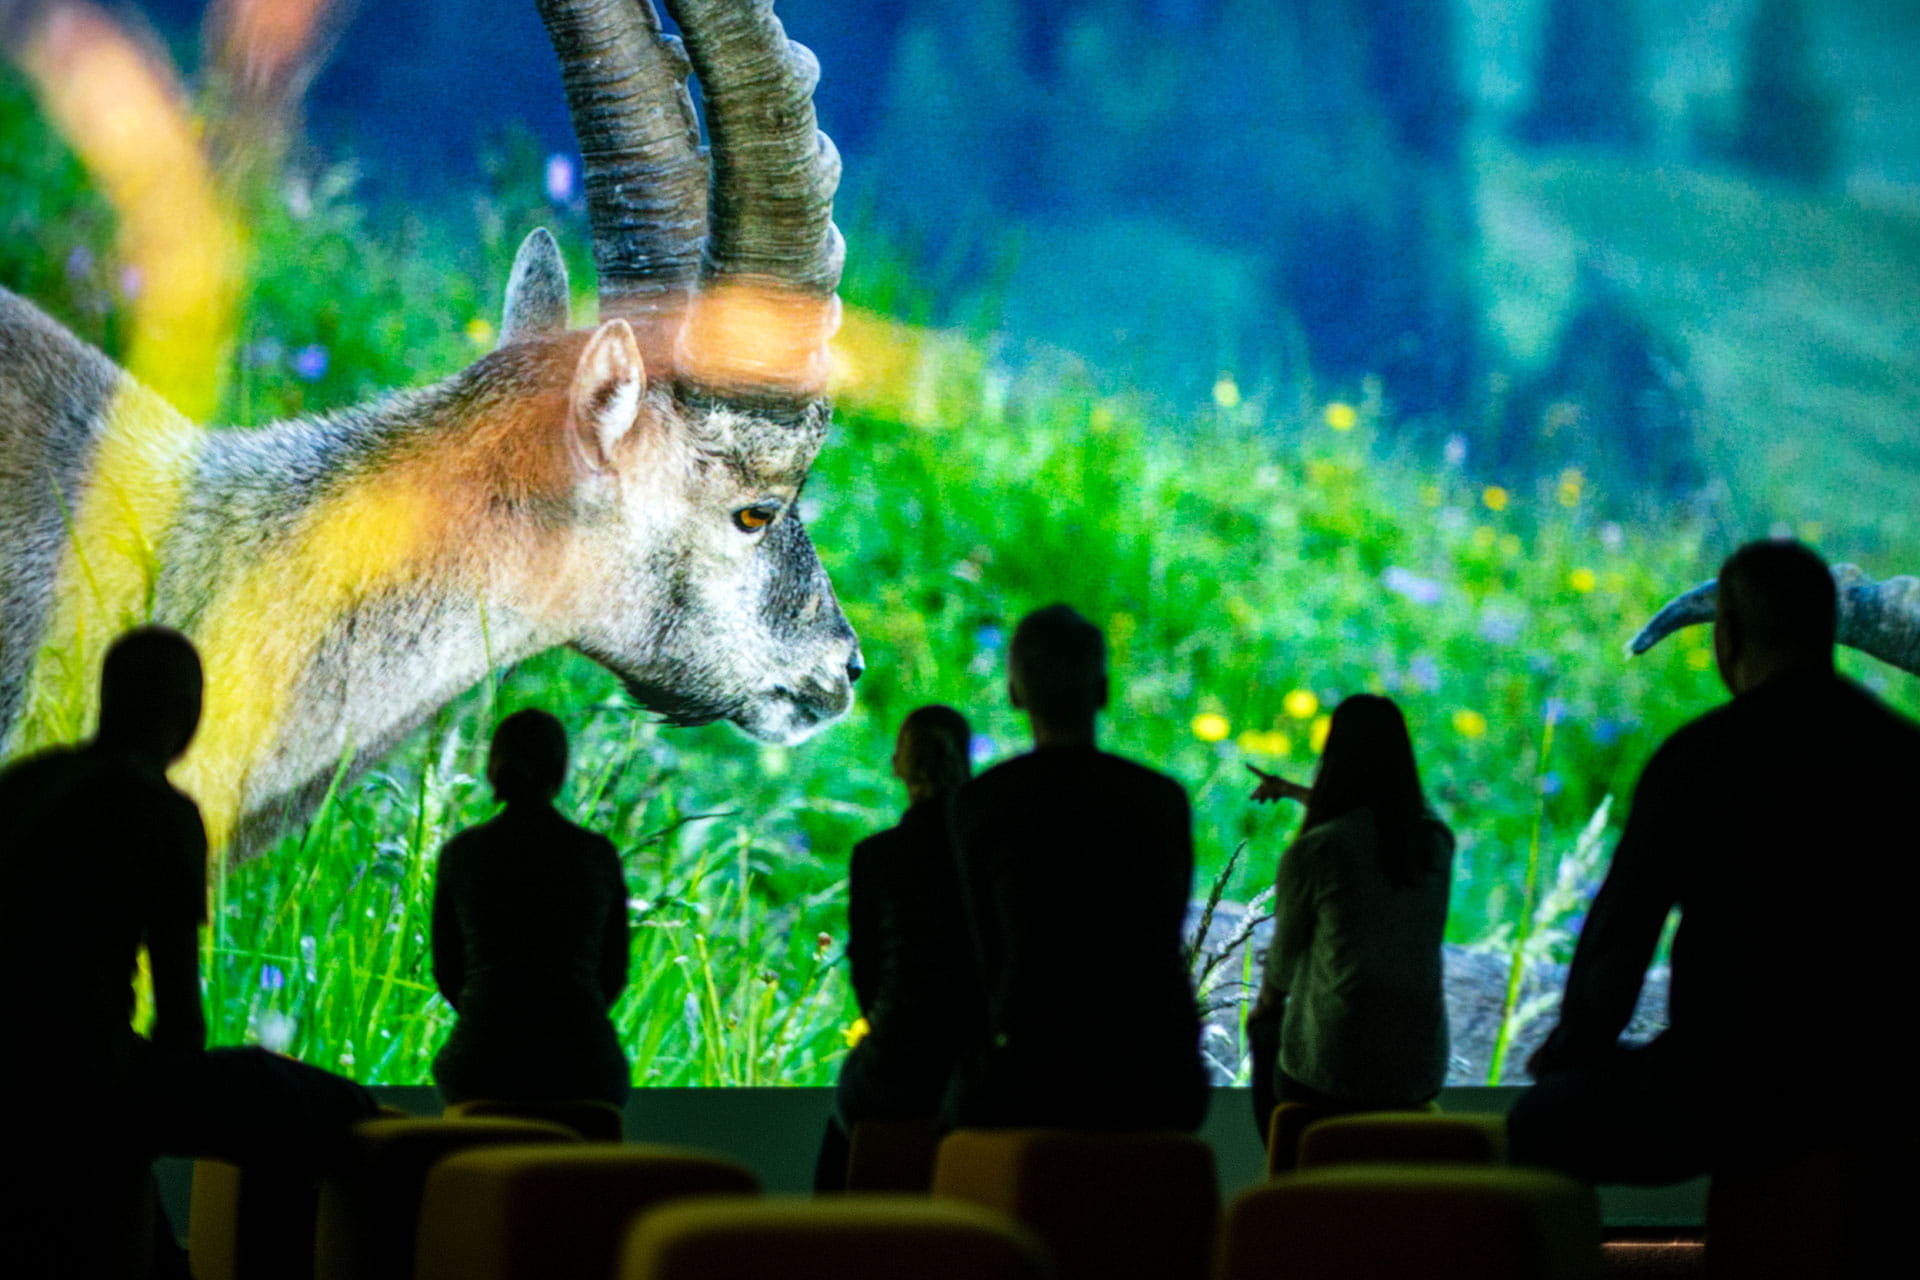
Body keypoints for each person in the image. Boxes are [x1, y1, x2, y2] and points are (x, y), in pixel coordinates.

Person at [1510, 540, 1920, 1184]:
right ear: (1826, 633)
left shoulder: (1695, 757)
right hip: (1884, 1091)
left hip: (1730, 1086)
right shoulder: (1905, 756)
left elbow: (1619, 944)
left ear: (1725, 635)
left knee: (1541, 1120)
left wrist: (1574, 1053)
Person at [0, 627, 376, 1275]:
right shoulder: (160, 808)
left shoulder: (23, 783)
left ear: (108, 698)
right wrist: (148, 1117)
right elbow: (179, 1013)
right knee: (331, 1107)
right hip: (86, 1077)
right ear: (188, 712)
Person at [946, 604, 1208, 1131]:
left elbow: (982, 957)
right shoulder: (1160, 800)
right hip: (1152, 1079)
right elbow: (1163, 938)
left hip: (1027, 1076)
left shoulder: (981, 805)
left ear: (1015, 694)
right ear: (1103, 691)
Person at [1242, 695, 1454, 1140]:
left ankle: (1288, 1166)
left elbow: (1280, 970)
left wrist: (1264, 1008)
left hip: (1332, 1077)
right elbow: (1376, 819)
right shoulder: (1435, 843)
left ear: (1331, 757)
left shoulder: (1316, 851)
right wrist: (1291, 790)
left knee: (1264, 1031)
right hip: (1419, 1070)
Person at [814, 705, 980, 1189]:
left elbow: (866, 974)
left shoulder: (876, 857)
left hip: (899, 1069)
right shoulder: (987, 850)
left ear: (898, 765)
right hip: (974, 1065)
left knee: (838, 1152)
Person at [431, 708, 632, 1107]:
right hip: (584, 1066)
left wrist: (492, 1016)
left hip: (482, 1065)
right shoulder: (595, 855)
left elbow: (448, 970)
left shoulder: (464, 854)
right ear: (559, 772)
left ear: (494, 769)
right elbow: (612, 973)